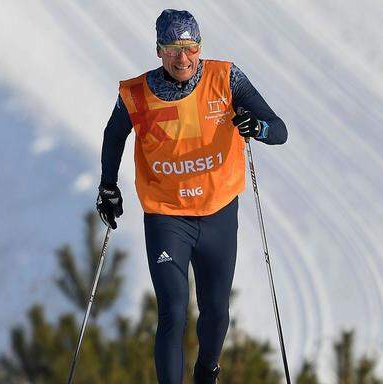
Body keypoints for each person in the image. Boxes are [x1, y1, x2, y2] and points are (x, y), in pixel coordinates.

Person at [96, 9, 287, 384]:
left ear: (199, 47)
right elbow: (114, 135)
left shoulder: (226, 78)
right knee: (172, 311)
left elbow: (279, 130)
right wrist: (108, 186)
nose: (182, 58)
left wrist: (257, 127)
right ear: (158, 50)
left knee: (216, 311)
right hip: (167, 216)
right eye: (172, 49)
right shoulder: (136, 93)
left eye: (190, 47)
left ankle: (207, 372)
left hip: (217, 213)